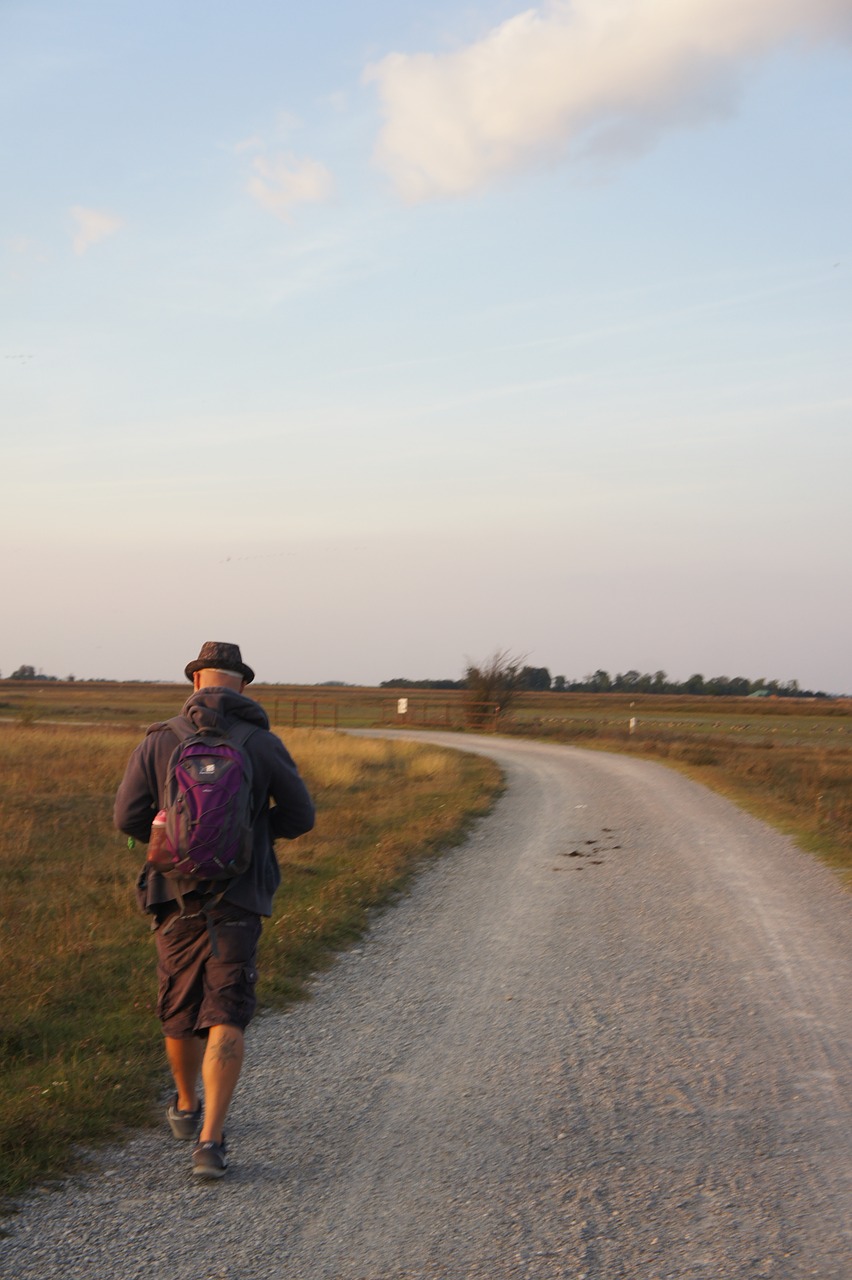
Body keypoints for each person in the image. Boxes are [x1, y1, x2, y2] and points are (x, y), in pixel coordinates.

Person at [114, 641, 315, 1179]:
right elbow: (300, 816)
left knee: (178, 1002)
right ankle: (210, 1143)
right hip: (241, 896)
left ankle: (184, 1107)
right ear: (242, 686)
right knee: (226, 1008)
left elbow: (126, 817)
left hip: (172, 895)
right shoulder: (261, 742)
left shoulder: (159, 741)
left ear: (195, 683)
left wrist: (164, 843)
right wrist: (256, 834)